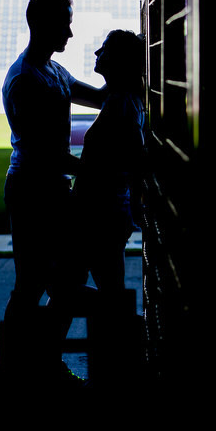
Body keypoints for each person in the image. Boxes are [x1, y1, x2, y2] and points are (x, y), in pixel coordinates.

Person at [0, 0, 106, 382]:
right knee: (32, 283)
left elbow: (99, 98)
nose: (70, 33)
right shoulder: (26, 79)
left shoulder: (53, 71)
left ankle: (40, 363)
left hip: (52, 188)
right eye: (65, 24)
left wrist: (126, 68)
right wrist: (99, 170)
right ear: (42, 24)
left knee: (65, 279)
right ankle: (23, 369)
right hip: (32, 190)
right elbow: (46, 154)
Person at [72, 29, 147, 295]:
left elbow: (135, 157)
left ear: (118, 60)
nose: (97, 52)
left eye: (104, 48)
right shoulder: (122, 99)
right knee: (75, 287)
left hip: (101, 214)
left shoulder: (120, 104)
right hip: (105, 211)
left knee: (75, 288)